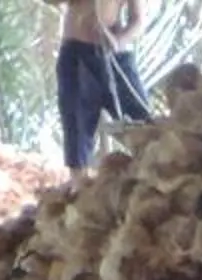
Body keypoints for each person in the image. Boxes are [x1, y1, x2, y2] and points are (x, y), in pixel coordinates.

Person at [51, 0, 155, 171]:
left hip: (114, 55)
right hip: (76, 53)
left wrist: (118, 41)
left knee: (143, 124)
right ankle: (79, 182)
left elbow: (137, 21)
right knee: (76, 126)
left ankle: (156, 171)